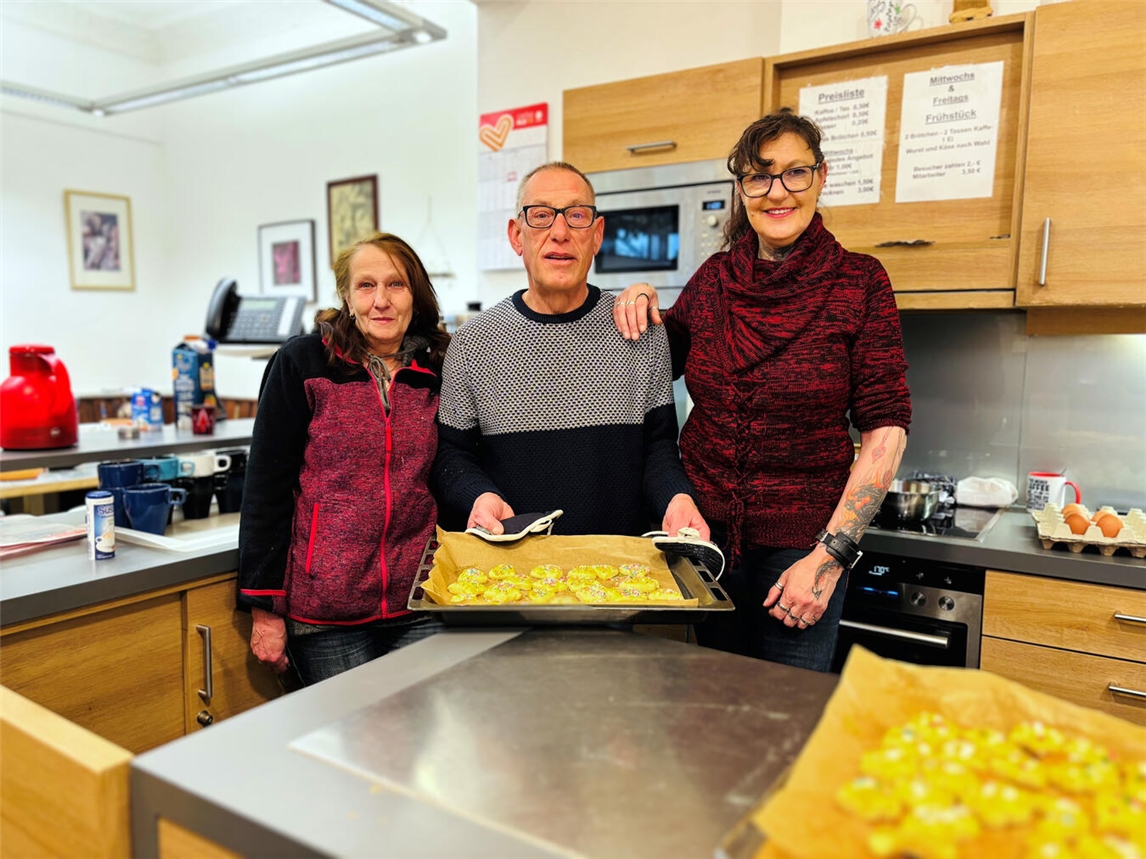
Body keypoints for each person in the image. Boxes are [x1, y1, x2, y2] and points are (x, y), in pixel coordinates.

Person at [613, 110, 912, 672]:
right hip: (704, 541)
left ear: (821, 178)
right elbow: (645, 367)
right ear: (742, 189)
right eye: (759, 175)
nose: (778, 191)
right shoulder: (713, 280)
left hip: (805, 550)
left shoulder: (861, 282)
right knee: (711, 714)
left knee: (786, 723)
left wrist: (830, 557)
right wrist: (637, 296)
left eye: (795, 173)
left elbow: (886, 429)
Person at [433, 161, 708, 540]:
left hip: (617, 572)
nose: (560, 232)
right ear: (516, 236)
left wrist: (677, 498)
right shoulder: (473, 341)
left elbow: (658, 449)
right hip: (509, 575)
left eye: (577, 216)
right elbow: (452, 455)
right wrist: (478, 496)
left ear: (597, 236)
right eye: (541, 215)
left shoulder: (640, 332)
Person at [238, 232, 450, 686]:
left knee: (425, 743)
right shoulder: (303, 363)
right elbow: (266, 488)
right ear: (347, 297)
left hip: (422, 602)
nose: (381, 301)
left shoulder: (438, 370)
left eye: (396, 285)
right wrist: (265, 609)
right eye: (366, 286)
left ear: (416, 294)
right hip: (326, 616)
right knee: (358, 749)